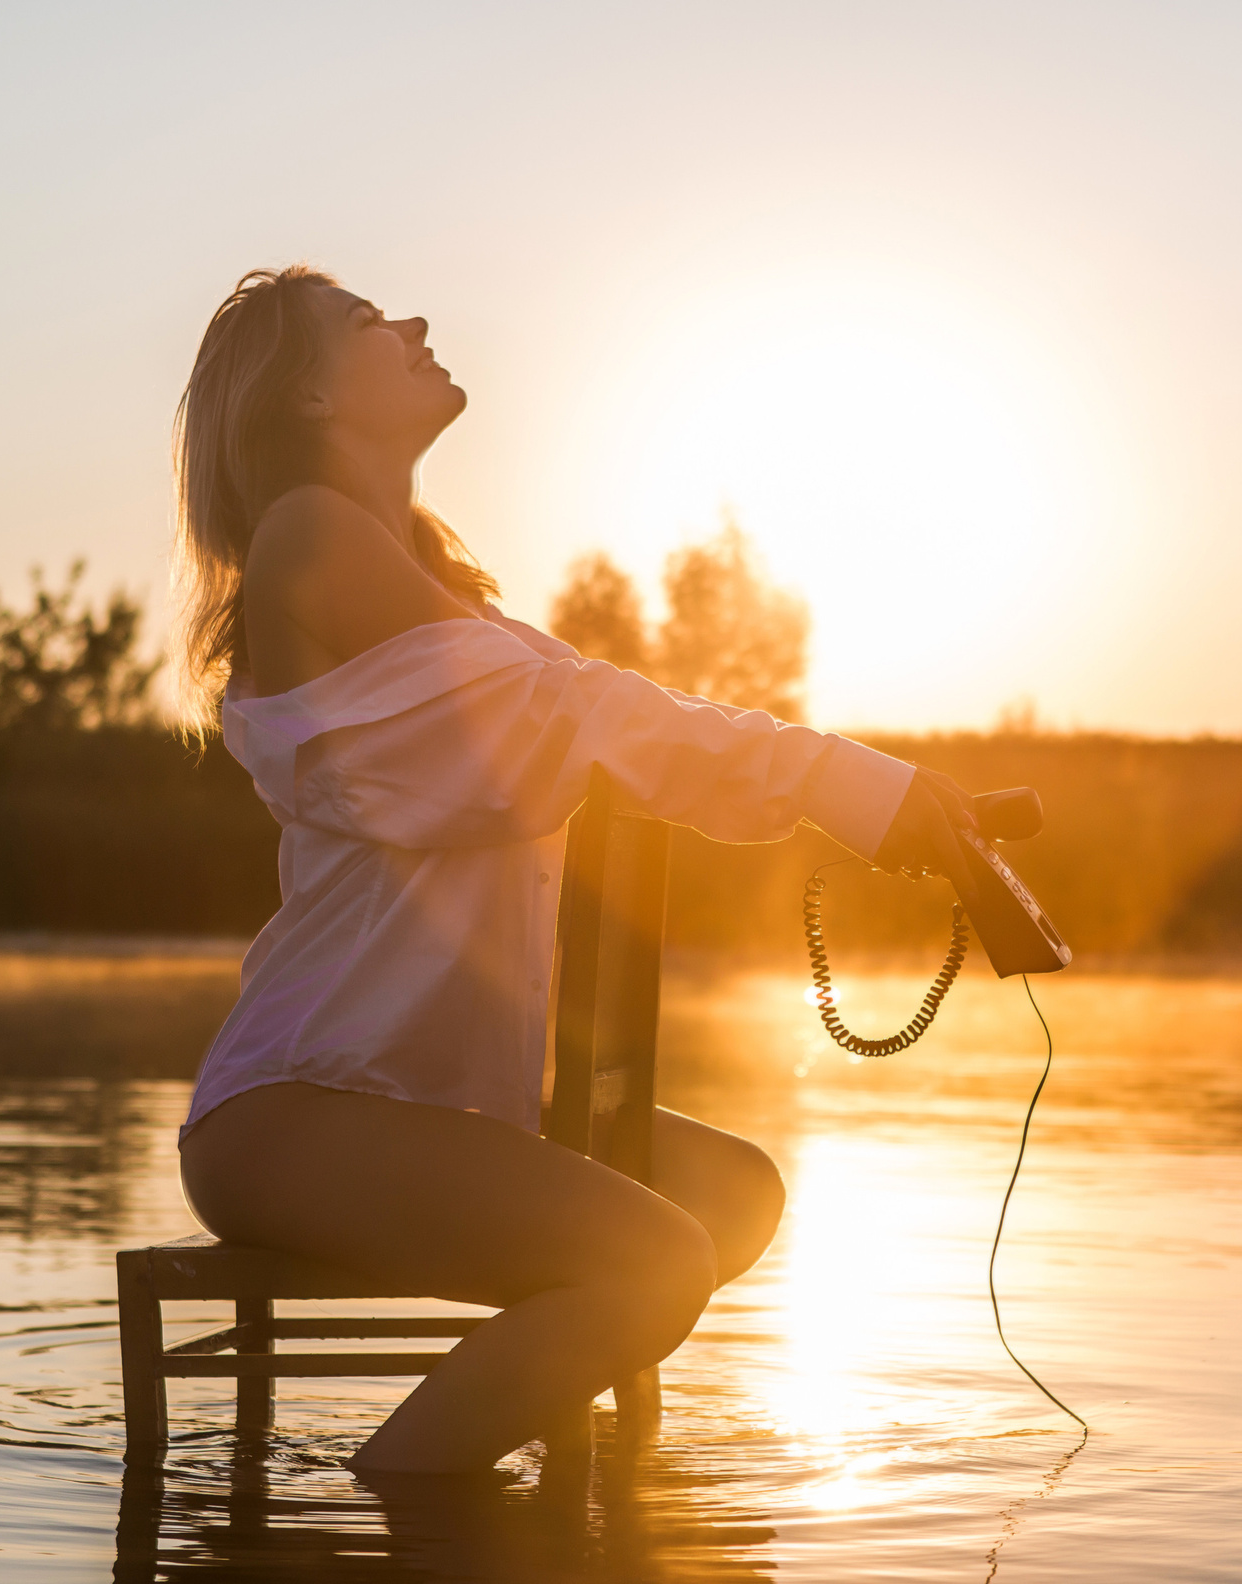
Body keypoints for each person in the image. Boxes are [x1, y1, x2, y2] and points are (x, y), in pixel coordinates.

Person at [169, 265, 978, 1474]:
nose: (416, 325)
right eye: (367, 324)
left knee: (735, 1196)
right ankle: (406, 1497)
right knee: (652, 1257)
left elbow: (606, 735)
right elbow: (587, 718)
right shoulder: (307, 534)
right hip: (300, 1112)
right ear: (308, 398)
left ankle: (503, 1493)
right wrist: (855, 790)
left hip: (444, 1097)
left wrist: (888, 812)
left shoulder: (446, 594)